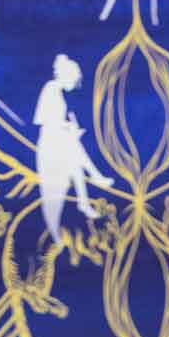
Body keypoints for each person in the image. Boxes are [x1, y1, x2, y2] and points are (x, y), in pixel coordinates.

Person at [34, 53, 111, 241]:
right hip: (50, 143)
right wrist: (67, 127)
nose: (74, 85)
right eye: (74, 80)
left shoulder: (57, 92)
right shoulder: (51, 89)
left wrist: (69, 127)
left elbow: (56, 121)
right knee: (72, 149)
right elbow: (44, 120)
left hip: (58, 141)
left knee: (75, 165)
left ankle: (85, 201)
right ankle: (94, 177)